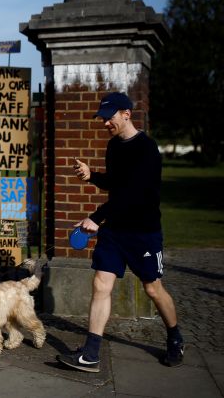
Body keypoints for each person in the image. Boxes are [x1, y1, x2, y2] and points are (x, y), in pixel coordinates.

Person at [57, 92, 183, 373]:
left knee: (153, 288)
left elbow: (133, 195)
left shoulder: (147, 149)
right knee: (101, 285)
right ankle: (91, 353)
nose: (105, 123)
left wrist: (96, 217)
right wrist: (93, 176)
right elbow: (116, 183)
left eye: (109, 117)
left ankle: (175, 336)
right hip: (115, 231)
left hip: (143, 232)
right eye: (103, 118)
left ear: (126, 113)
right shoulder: (114, 146)